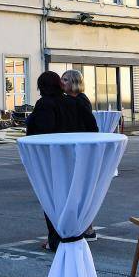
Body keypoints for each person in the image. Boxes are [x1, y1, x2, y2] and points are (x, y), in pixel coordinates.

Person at [26, 71, 98, 250]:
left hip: (52, 159)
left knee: (52, 199)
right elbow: (90, 127)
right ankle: (72, 234)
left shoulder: (45, 104)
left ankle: (56, 239)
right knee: (69, 198)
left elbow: (43, 132)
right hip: (71, 157)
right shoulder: (71, 102)